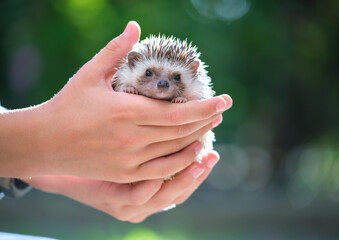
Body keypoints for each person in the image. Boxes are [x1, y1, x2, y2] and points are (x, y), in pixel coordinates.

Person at [0, 20, 232, 230]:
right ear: (131, 66)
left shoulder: (191, 94)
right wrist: (43, 144)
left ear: (194, 74)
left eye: (176, 78)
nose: (162, 83)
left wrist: (50, 171)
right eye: (149, 73)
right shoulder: (124, 84)